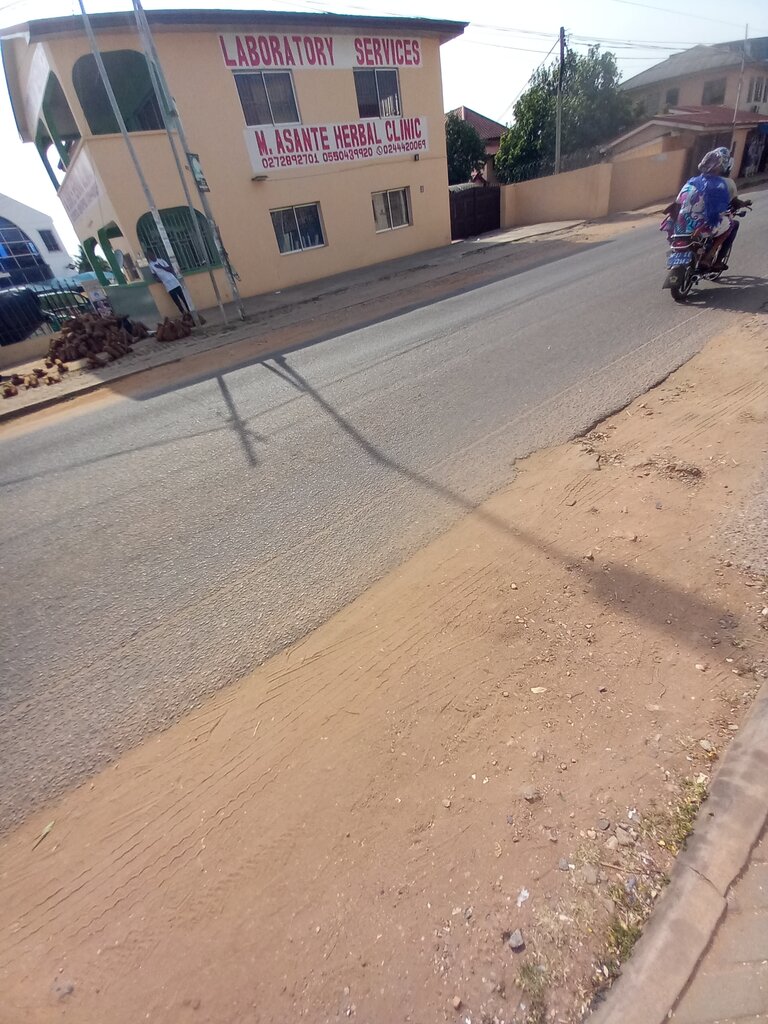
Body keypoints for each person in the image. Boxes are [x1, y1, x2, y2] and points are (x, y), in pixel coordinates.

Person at [670, 148, 733, 269]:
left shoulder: (690, 182)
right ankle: (709, 256)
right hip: (700, 228)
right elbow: (719, 210)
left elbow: (678, 201)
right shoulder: (719, 184)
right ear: (720, 166)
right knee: (729, 224)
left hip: (681, 226)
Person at [146, 249, 190, 314]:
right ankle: (184, 313)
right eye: (149, 256)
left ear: (154, 254)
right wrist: (158, 279)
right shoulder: (151, 265)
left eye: (151, 255)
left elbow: (170, 269)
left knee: (183, 298)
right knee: (176, 301)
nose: (151, 257)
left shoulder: (161, 261)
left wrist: (161, 266)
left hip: (174, 281)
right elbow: (154, 275)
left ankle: (190, 310)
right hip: (167, 285)